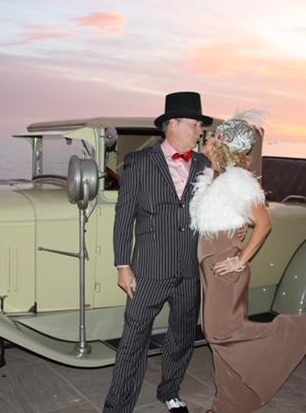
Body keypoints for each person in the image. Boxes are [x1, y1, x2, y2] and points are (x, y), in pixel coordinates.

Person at [190, 116, 306, 413]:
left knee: (221, 333)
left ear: (223, 143)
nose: (206, 140)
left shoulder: (236, 180)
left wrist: (239, 260)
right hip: (213, 264)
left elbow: (264, 223)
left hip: (225, 265)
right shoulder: (219, 177)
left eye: (212, 137)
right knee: (220, 340)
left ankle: (292, 332)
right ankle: (230, 404)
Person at [103, 91, 212, 413]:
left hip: (189, 270)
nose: (200, 130)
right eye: (195, 124)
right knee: (133, 341)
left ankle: (170, 391)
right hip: (149, 270)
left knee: (182, 337)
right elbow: (124, 216)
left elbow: (210, 213)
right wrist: (123, 265)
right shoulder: (139, 162)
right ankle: (118, 407)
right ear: (173, 124)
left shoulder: (204, 165)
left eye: (201, 125)